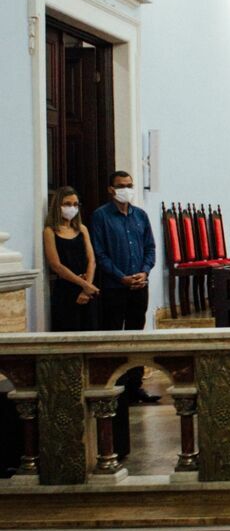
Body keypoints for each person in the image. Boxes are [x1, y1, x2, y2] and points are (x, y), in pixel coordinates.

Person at [90, 171, 158, 408]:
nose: (126, 189)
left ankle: (134, 386)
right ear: (111, 189)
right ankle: (115, 386)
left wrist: (144, 272)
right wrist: (122, 278)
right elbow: (99, 253)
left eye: (130, 185)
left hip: (139, 285)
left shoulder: (140, 215)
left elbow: (150, 248)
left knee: (136, 335)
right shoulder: (101, 217)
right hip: (114, 287)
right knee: (114, 335)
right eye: (121, 186)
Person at [43, 187, 98, 331]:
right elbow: (56, 265)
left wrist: (87, 288)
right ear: (58, 206)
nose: (72, 208)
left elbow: (91, 260)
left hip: (87, 289)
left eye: (75, 204)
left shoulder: (82, 229)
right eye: (67, 204)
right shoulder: (50, 231)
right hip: (66, 289)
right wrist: (83, 284)